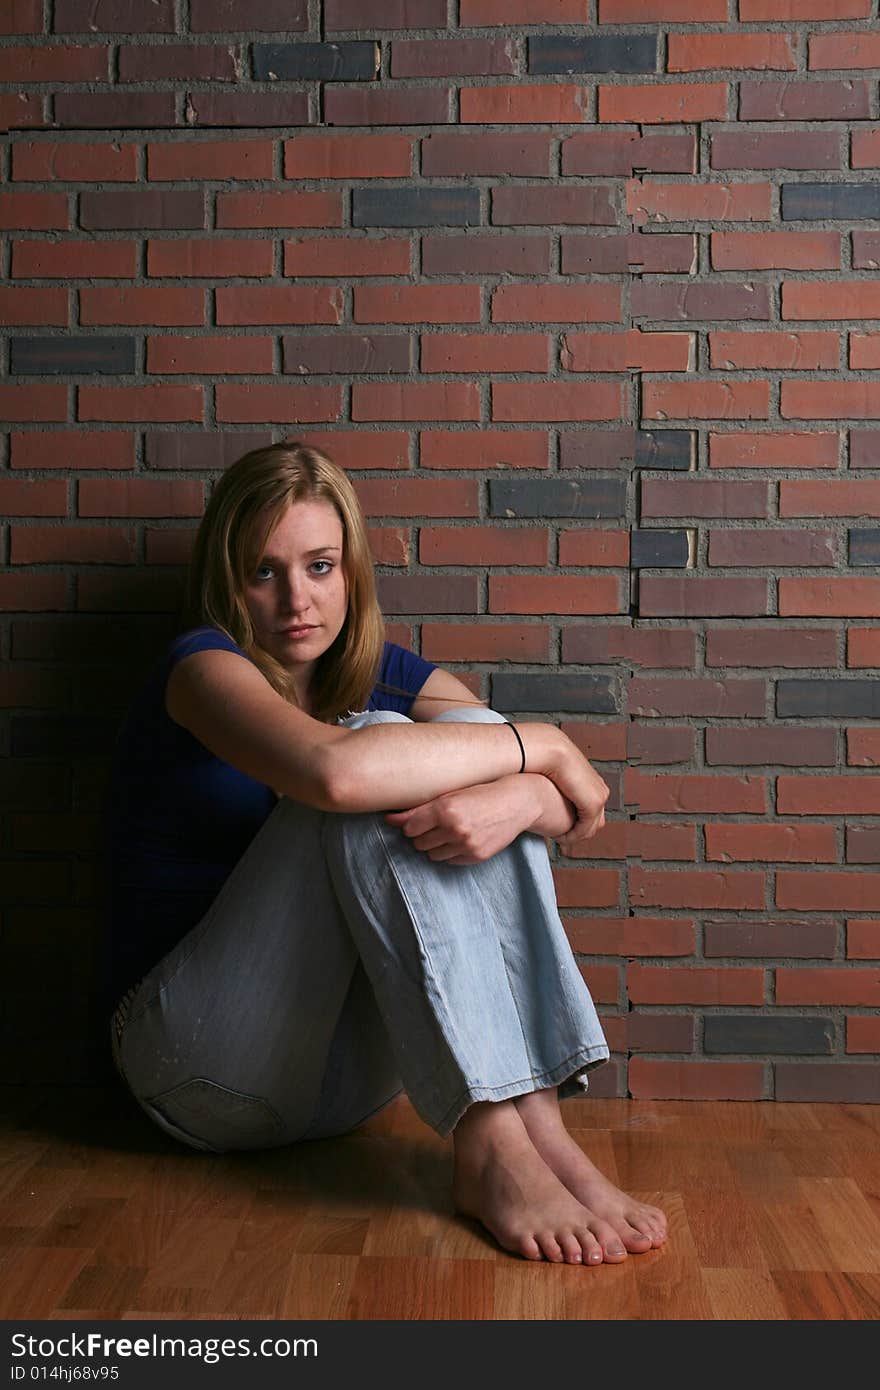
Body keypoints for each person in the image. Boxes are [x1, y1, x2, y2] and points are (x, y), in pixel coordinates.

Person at [106, 441, 667, 1267]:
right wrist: (546, 743)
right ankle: (491, 1151)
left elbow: (559, 805)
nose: (297, 599)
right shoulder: (200, 671)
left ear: (351, 571)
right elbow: (337, 774)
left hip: (349, 1084)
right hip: (197, 1068)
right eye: (265, 573)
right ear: (227, 581)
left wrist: (524, 788)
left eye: (320, 566)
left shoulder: (383, 671)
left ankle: (541, 1129)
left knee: (467, 741)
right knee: (378, 753)